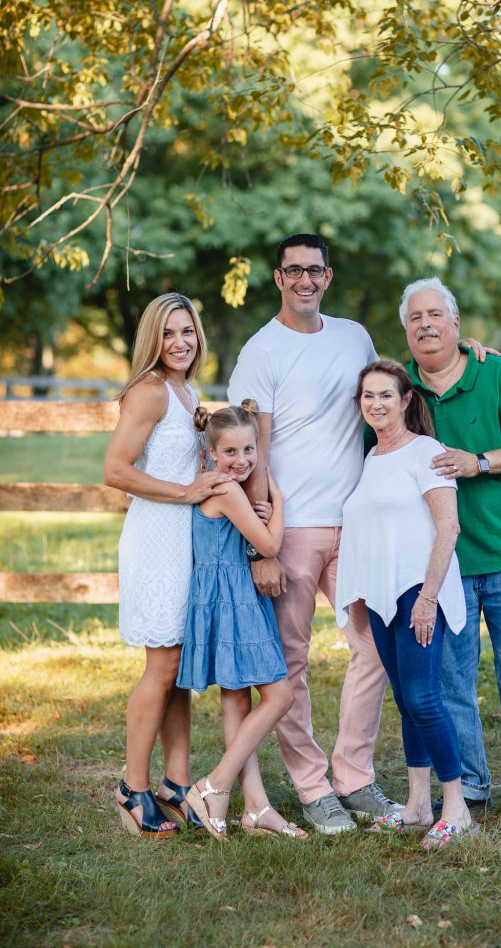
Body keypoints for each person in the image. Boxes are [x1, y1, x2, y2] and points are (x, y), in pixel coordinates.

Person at [227, 234, 491, 834]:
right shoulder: (259, 352)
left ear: (327, 276)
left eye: (314, 271)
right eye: (293, 270)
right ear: (277, 278)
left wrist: (464, 349)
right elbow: (252, 451)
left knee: (375, 650)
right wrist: (258, 541)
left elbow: (397, 378)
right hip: (290, 530)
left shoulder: (354, 338)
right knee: (291, 663)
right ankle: (314, 787)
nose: (304, 280)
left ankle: (354, 774)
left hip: (358, 528)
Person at [401, 277, 501, 823]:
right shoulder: (401, 392)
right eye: (415, 317)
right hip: (446, 562)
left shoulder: (497, 373)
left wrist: (480, 461)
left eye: (435, 314)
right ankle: (468, 784)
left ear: (456, 324)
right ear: (407, 330)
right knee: (450, 676)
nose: (426, 324)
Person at [336, 360, 479, 850]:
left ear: (405, 400)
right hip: (380, 596)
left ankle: (456, 809)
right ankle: (417, 806)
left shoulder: (426, 452)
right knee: (405, 700)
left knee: (423, 698)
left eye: (386, 395)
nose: (376, 404)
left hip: (419, 593)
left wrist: (428, 596)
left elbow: (449, 527)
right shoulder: (372, 458)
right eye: (367, 396)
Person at [104, 293, 231, 838]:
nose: (180, 343)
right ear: (152, 339)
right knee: (163, 665)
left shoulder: (185, 390)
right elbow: (115, 470)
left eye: (189, 332)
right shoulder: (151, 391)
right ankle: (132, 788)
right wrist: (184, 491)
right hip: (157, 537)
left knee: (178, 666)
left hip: (184, 538)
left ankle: (175, 784)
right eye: (169, 333)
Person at [177, 403, 308, 840]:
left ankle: (256, 808)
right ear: (211, 452)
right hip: (234, 601)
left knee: (236, 700)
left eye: (249, 450)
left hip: (224, 598)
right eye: (229, 451)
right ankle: (214, 784)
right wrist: (279, 503)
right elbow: (269, 546)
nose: (241, 460)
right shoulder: (230, 492)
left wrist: (258, 515)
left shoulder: (218, 487)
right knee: (280, 696)